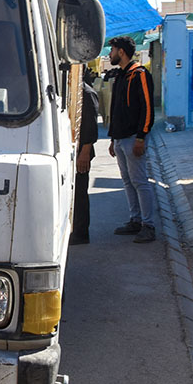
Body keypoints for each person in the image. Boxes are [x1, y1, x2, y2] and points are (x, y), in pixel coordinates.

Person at [106, 36, 157, 243]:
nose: (110, 54)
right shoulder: (121, 75)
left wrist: (141, 137)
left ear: (121, 52)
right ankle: (135, 220)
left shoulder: (140, 74)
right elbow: (115, 109)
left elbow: (147, 107)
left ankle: (148, 225)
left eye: (112, 50)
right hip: (120, 139)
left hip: (134, 138)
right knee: (128, 181)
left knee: (140, 181)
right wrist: (113, 138)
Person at [70, 69, 100, 245]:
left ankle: (81, 233)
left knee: (80, 192)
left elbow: (90, 127)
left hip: (83, 151)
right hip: (75, 150)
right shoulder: (75, 91)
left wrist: (85, 152)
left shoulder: (87, 93)